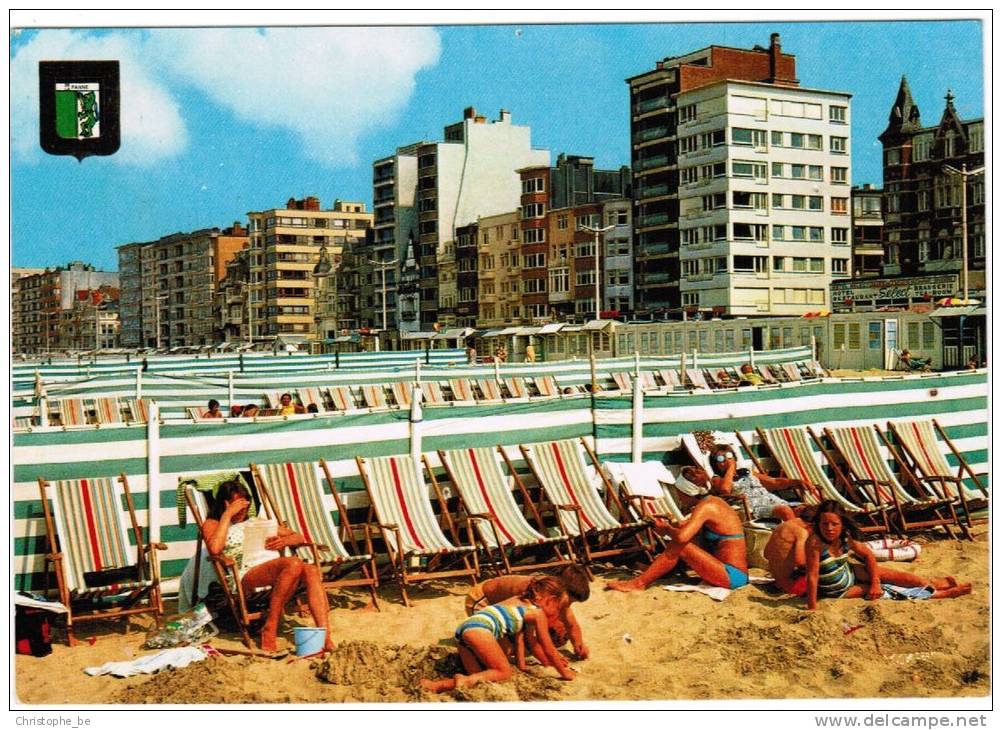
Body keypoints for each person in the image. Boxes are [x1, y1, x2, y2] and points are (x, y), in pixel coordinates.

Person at [201, 480, 333, 653]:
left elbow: (299, 537)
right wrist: (227, 515)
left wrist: (283, 541)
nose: (243, 511)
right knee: (293, 563)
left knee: (312, 570)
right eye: (238, 506)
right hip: (243, 574)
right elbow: (215, 549)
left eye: (245, 506)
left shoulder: (255, 521)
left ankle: (325, 637)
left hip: (270, 568)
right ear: (226, 503)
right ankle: (271, 625)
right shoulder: (213, 524)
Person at [805, 500, 971, 611]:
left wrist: (875, 581)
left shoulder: (846, 537)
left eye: (835, 524)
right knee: (888, 590)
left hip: (850, 571)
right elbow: (812, 576)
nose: (829, 528)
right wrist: (812, 607)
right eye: (824, 523)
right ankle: (941, 594)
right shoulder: (815, 543)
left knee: (897, 577)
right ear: (818, 524)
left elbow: (868, 555)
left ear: (842, 524)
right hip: (840, 589)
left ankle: (931, 584)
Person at [606, 466, 749, 592]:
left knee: (681, 545)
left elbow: (681, 538)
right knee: (682, 540)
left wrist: (667, 529)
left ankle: (639, 583)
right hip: (726, 571)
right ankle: (653, 576)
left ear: (687, 492)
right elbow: (687, 526)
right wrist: (669, 524)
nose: (679, 498)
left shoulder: (706, 507)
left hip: (732, 576)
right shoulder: (712, 502)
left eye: (679, 493)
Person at [422, 576, 575, 693]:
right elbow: (547, 647)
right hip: (479, 629)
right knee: (504, 672)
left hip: (464, 631)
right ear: (551, 600)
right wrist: (564, 672)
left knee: (481, 678)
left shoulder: (518, 602)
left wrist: (522, 665)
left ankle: (432, 685)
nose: (557, 613)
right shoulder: (538, 614)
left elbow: (520, 640)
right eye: (558, 608)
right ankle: (444, 684)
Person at [464, 565, 591, 660]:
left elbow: (570, 623)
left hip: (502, 604)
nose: (568, 605)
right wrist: (549, 657)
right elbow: (528, 634)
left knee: (560, 634)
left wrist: (578, 644)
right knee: (507, 649)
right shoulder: (532, 591)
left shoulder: (555, 592)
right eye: (569, 601)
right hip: (480, 600)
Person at [709, 444, 803, 522]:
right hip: (755, 509)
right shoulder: (717, 479)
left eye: (729, 456)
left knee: (807, 509)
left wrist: (797, 482)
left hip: (774, 502)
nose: (726, 460)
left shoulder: (747, 472)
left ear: (734, 457)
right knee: (785, 511)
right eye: (720, 459)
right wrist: (731, 467)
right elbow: (725, 490)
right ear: (715, 464)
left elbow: (774, 482)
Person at [764, 508, 815, 596]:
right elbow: (801, 562)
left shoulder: (782, 526)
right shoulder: (801, 532)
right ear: (812, 525)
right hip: (790, 585)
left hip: (777, 581)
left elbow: (766, 554)